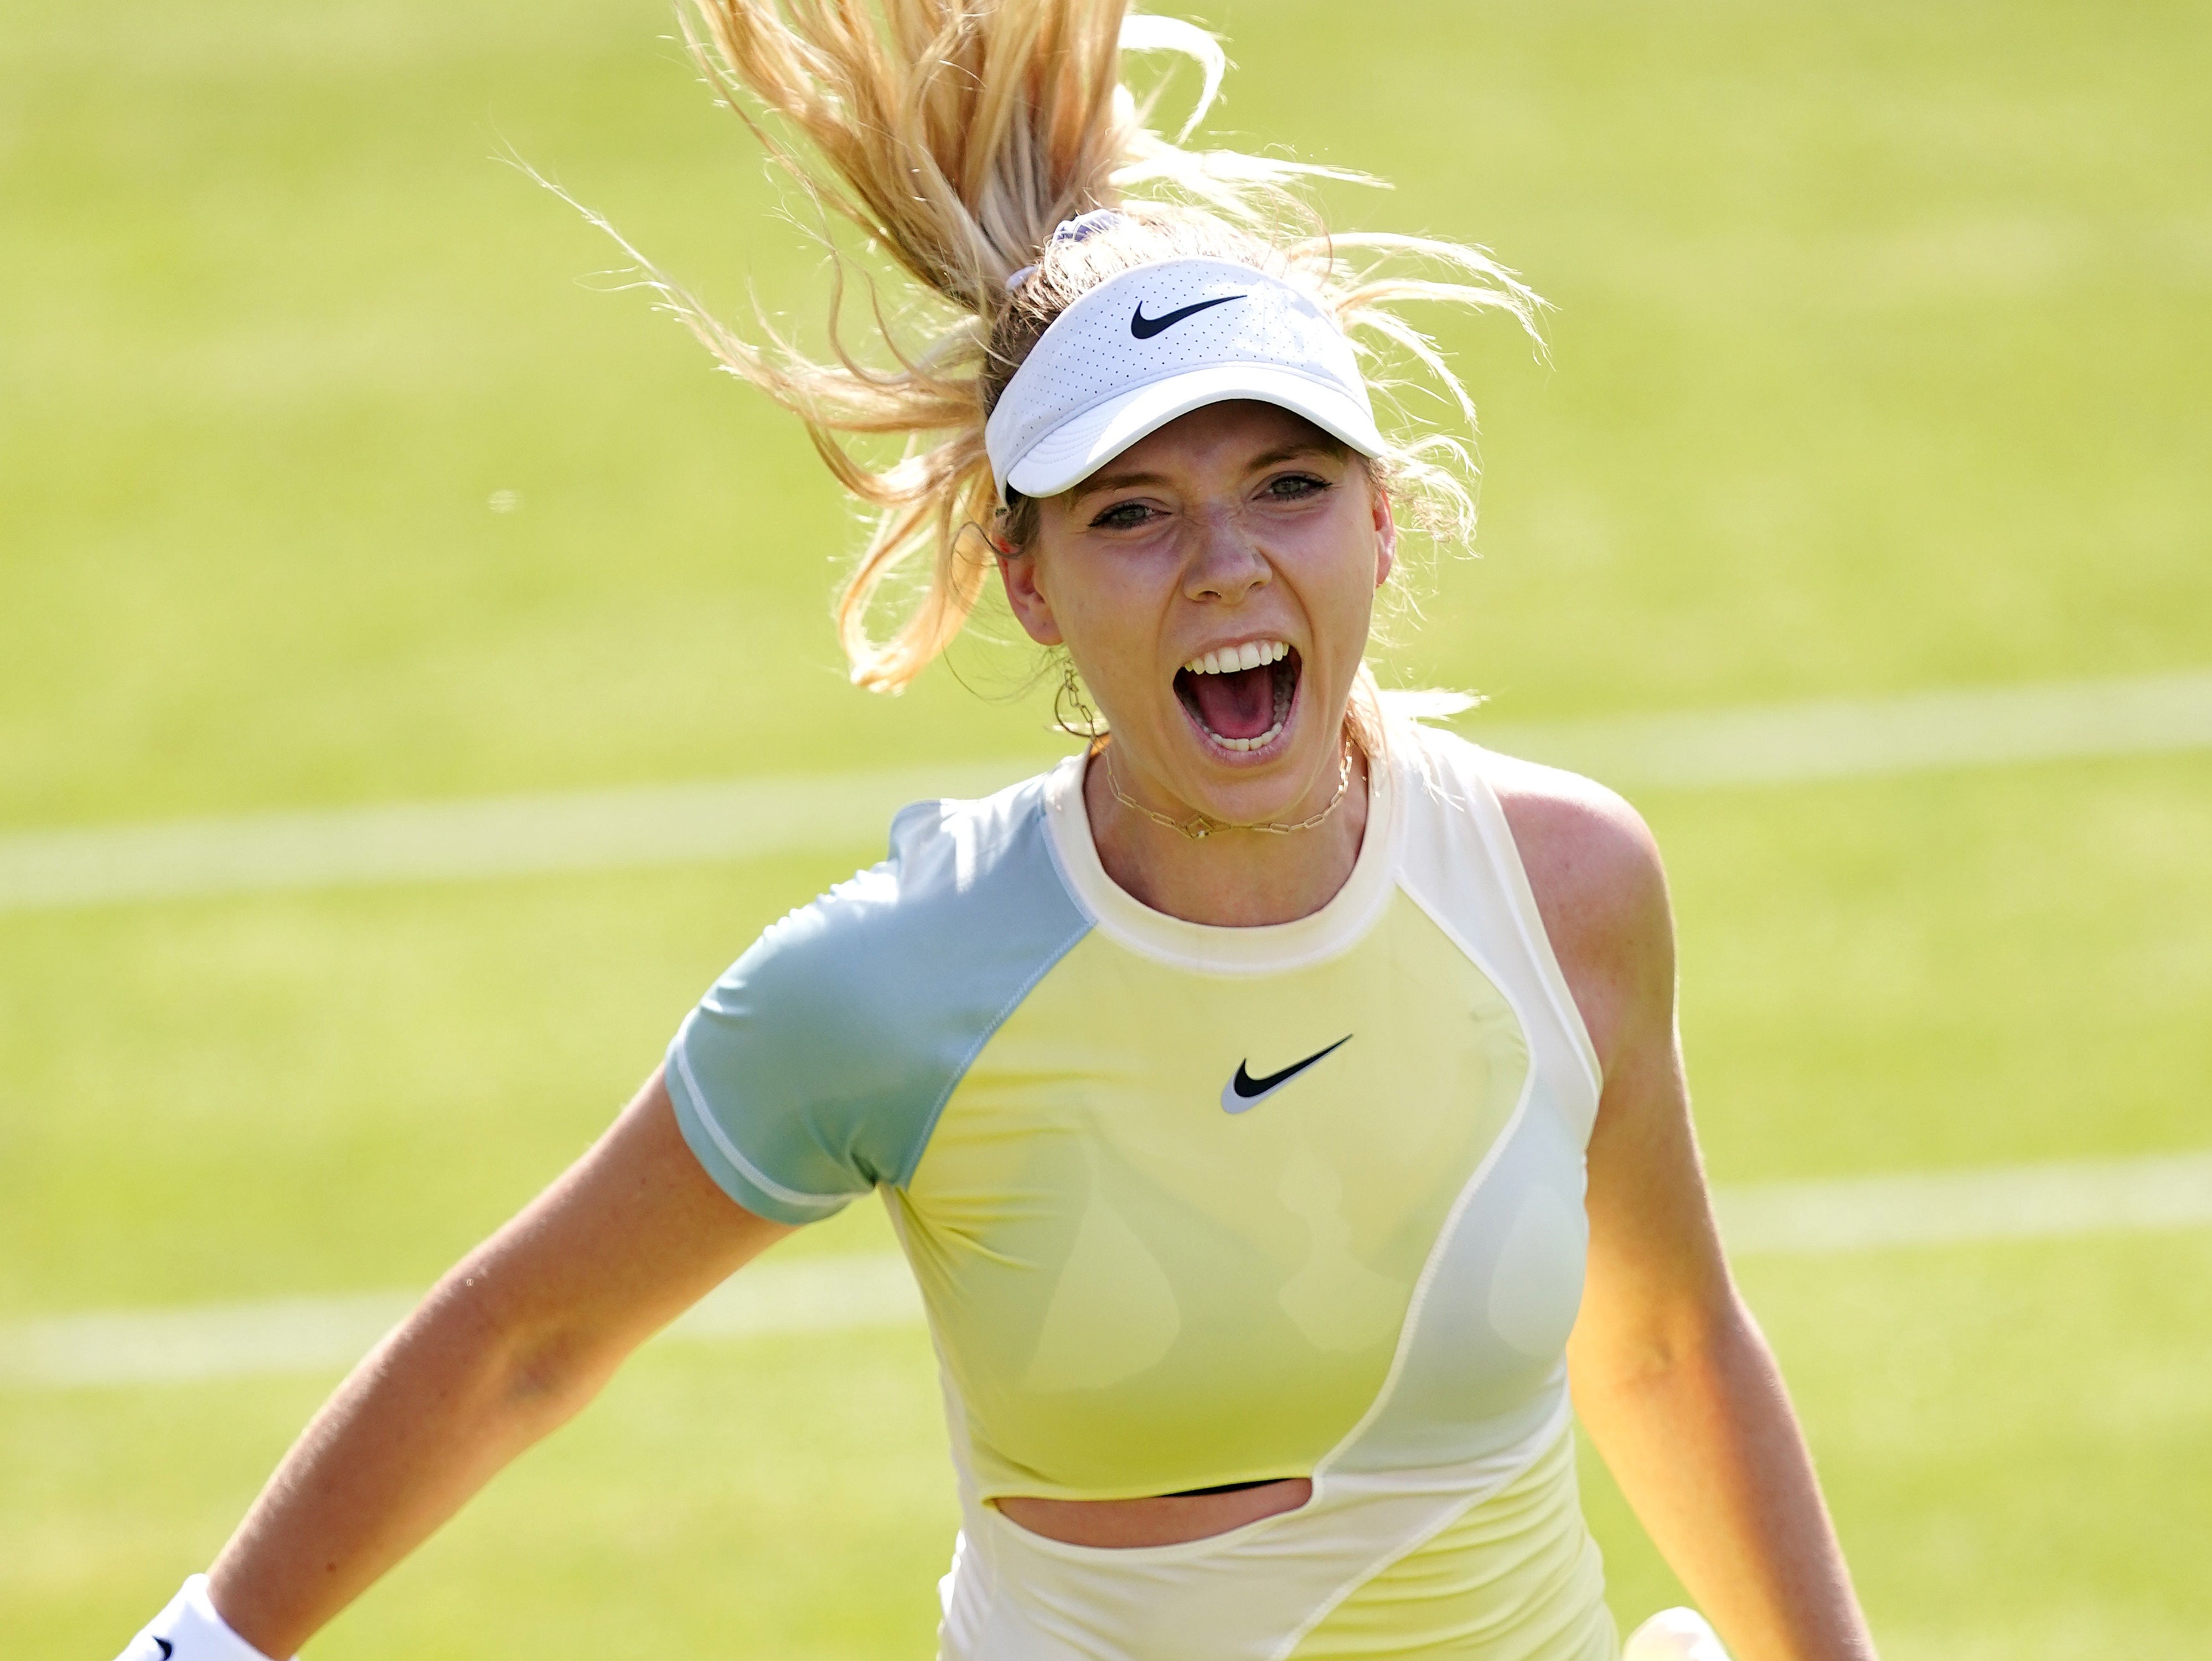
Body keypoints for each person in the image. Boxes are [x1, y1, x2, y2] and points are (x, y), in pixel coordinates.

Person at [118, 3, 1880, 1658]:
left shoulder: (1563, 887)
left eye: (1286, 486)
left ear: (1380, 524)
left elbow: (1662, 1348)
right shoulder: (893, 983)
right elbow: (526, 1340)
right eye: (1133, 513)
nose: (1225, 564)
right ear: (1026, 583)